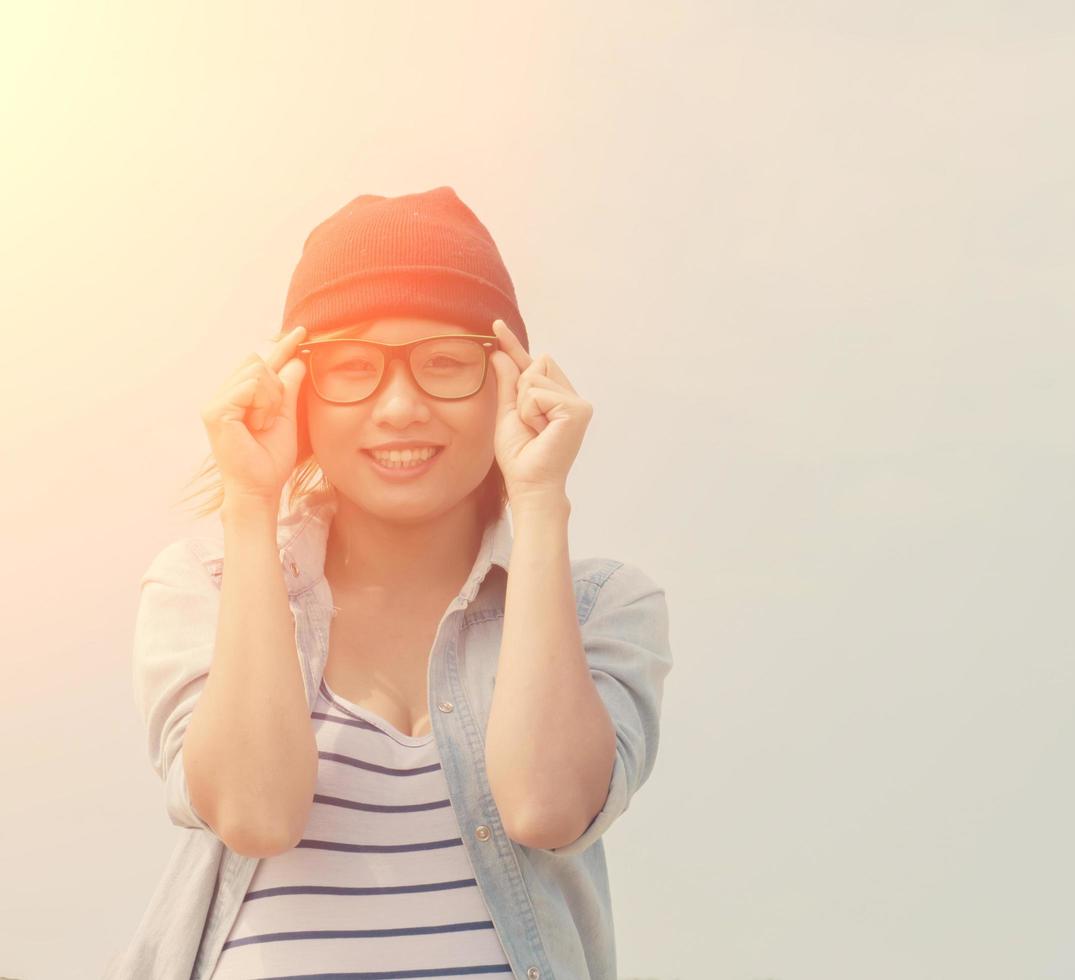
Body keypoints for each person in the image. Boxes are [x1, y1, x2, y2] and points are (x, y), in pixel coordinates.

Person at [105, 187, 674, 980]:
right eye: (352, 369)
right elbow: (254, 811)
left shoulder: (601, 607)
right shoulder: (203, 585)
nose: (401, 407)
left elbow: (547, 806)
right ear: (298, 391)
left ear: (508, 381)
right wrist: (249, 501)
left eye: (445, 363)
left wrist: (541, 502)